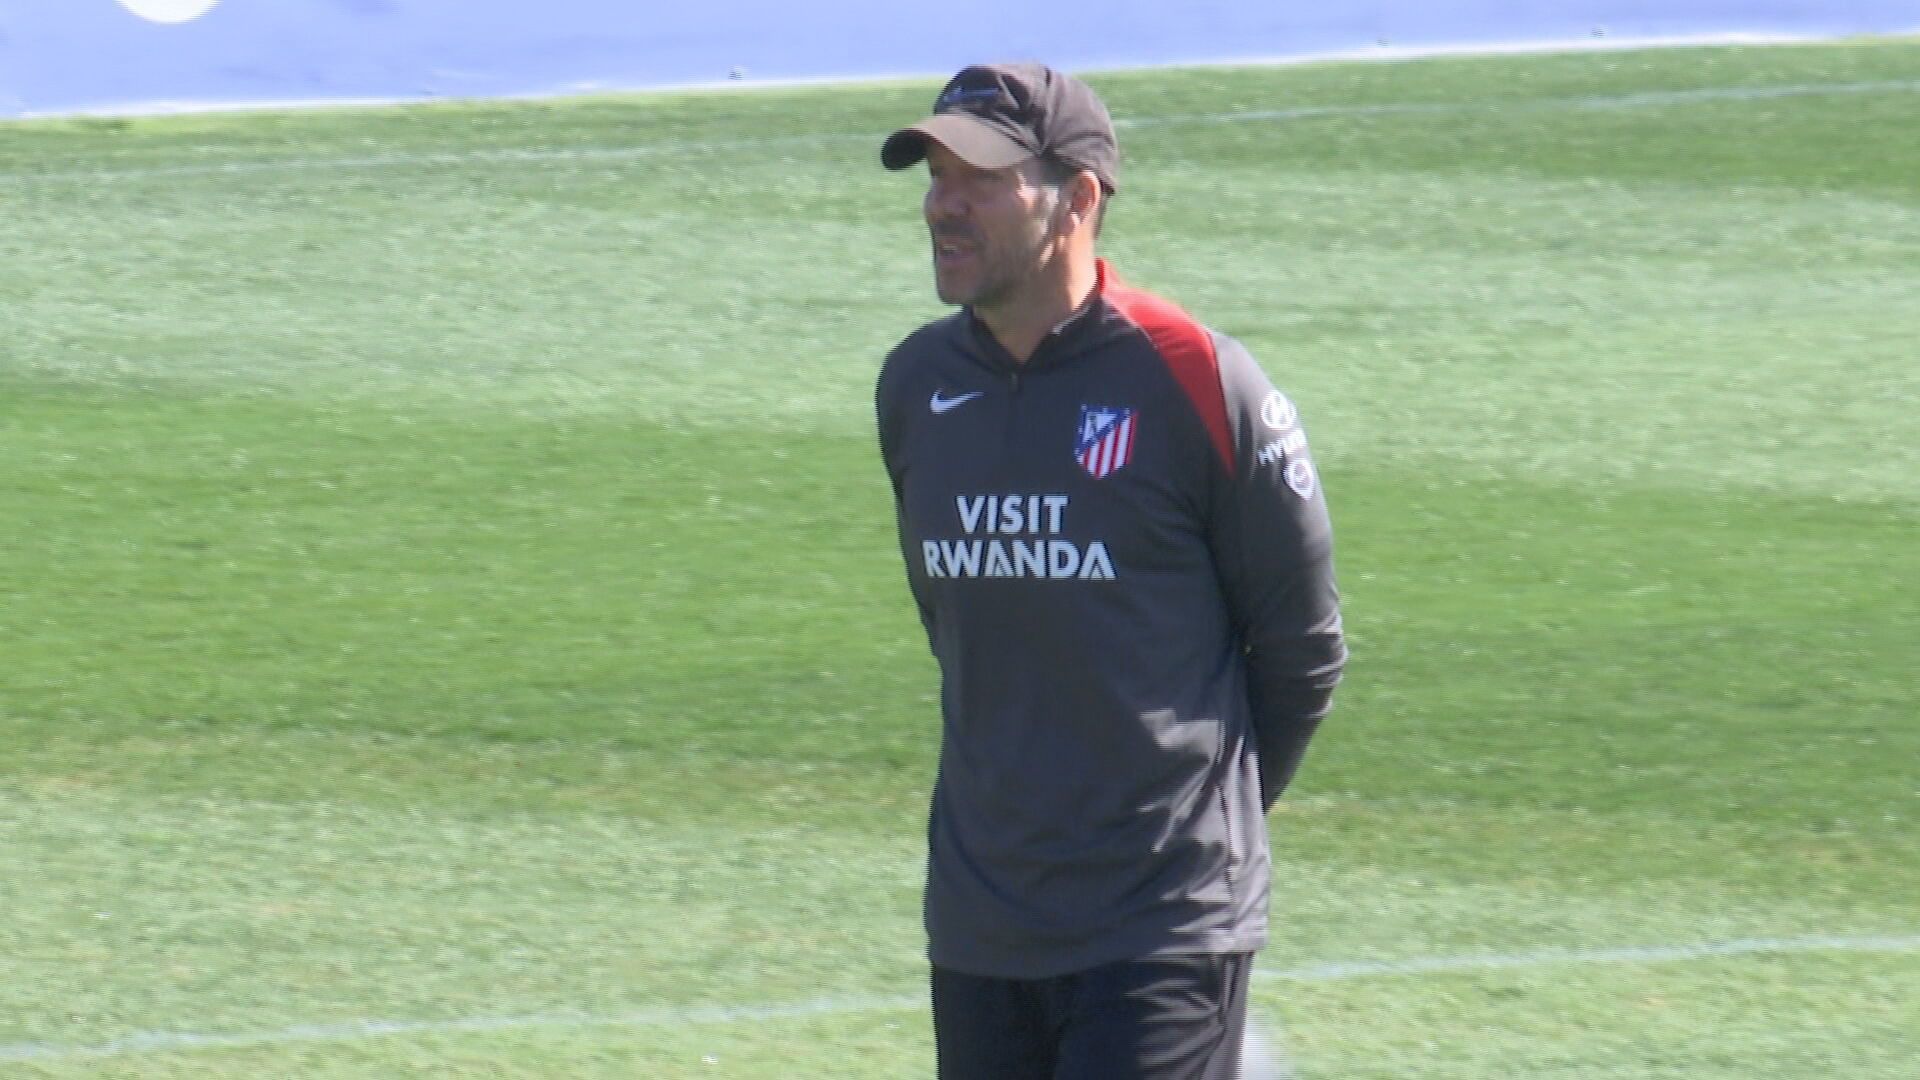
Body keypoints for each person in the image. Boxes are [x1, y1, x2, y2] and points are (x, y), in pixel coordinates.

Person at [873, 62, 1346, 1080]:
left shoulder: (1197, 379)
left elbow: (1303, 648)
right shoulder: (916, 386)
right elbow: (961, 632)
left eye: (981, 180)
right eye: (935, 174)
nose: (941, 205)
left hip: (1161, 922)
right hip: (981, 924)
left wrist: (1204, 826)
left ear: (1078, 198)